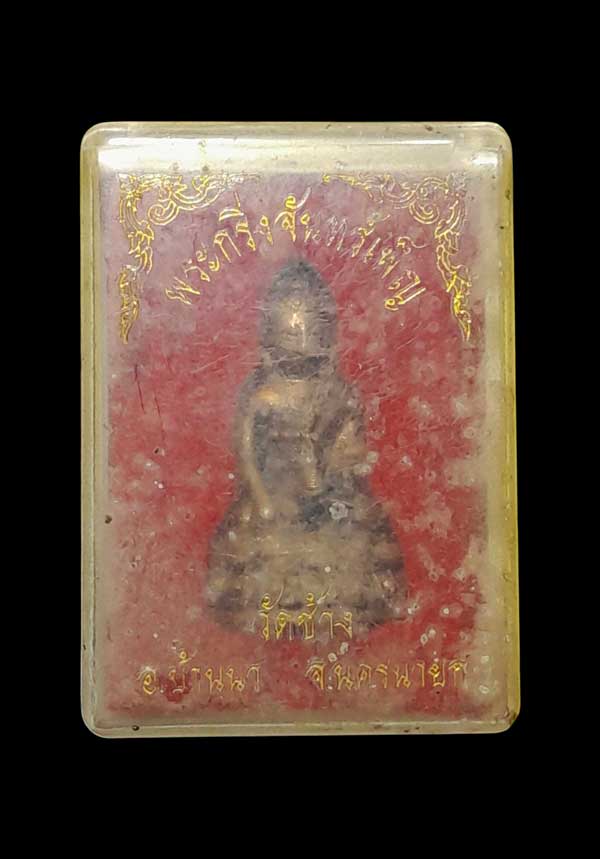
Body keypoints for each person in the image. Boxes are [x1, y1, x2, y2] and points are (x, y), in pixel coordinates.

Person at [205, 260, 406, 637]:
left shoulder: (338, 392)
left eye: (310, 359)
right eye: (289, 337)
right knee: (253, 543)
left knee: (357, 536)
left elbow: (351, 451)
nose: (299, 339)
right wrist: (262, 496)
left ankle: (347, 604)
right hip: (275, 497)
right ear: (269, 341)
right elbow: (246, 451)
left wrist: (331, 477)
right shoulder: (260, 394)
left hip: (329, 500)